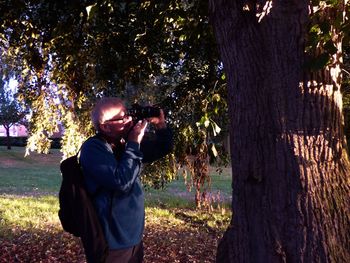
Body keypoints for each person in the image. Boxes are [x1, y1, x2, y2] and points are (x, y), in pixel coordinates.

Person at [79, 97, 173, 263]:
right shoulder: (93, 148)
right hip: (111, 244)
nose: (129, 119)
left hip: (133, 239)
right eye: (122, 118)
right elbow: (122, 182)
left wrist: (160, 124)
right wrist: (134, 142)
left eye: (128, 114)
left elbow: (163, 148)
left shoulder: (123, 144)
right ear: (105, 126)